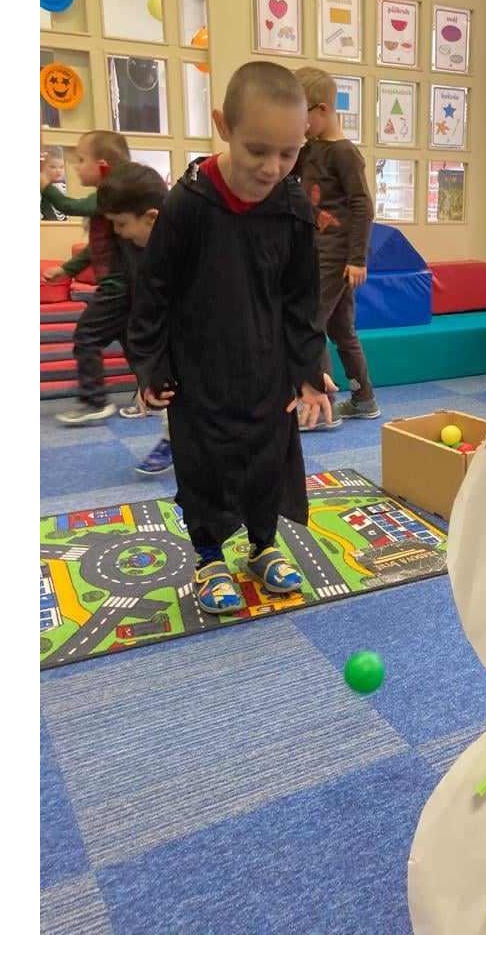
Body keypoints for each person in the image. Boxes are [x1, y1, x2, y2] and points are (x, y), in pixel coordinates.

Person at [128, 61, 333, 614]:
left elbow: (302, 299)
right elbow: (153, 292)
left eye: (288, 153)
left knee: (269, 457)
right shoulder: (188, 204)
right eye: (257, 150)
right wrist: (150, 366)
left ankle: (263, 544)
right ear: (223, 126)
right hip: (198, 368)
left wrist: (307, 371)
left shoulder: (292, 206)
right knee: (206, 462)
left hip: (267, 366)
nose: (272, 168)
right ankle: (209, 555)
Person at [292, 67, 379, 429]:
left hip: (335, 255)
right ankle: (364, 398)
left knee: (311, 323)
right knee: (341, 329)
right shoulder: (310, 149)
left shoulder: (344, 153)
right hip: (317, 250)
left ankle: (321, 406)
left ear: (323, 110)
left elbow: (363, 206)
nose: (299, 126)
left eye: (302, 117)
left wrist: (357, 259)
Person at [40, 130, 134, 425]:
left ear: (103, 165)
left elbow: (69, 206)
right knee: (134, 343)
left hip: (117, 287)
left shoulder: (110, 196)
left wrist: (46, 186)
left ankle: (95, 401)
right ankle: (154, 393)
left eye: (81, 160)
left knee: (86, 335)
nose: (76, 167)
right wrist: (66, 269)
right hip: (123, 287)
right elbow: (96, 247)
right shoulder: (108, 201)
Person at [95, 161, 175, 475]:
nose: (118, 232)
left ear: (151, 218)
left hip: (201, 347)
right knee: (171, 402)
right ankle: (173, 439)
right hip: (166, 346)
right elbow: (143, 314)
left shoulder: (187, 246)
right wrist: (148, 374)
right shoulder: (134, 248)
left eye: (121, 224)